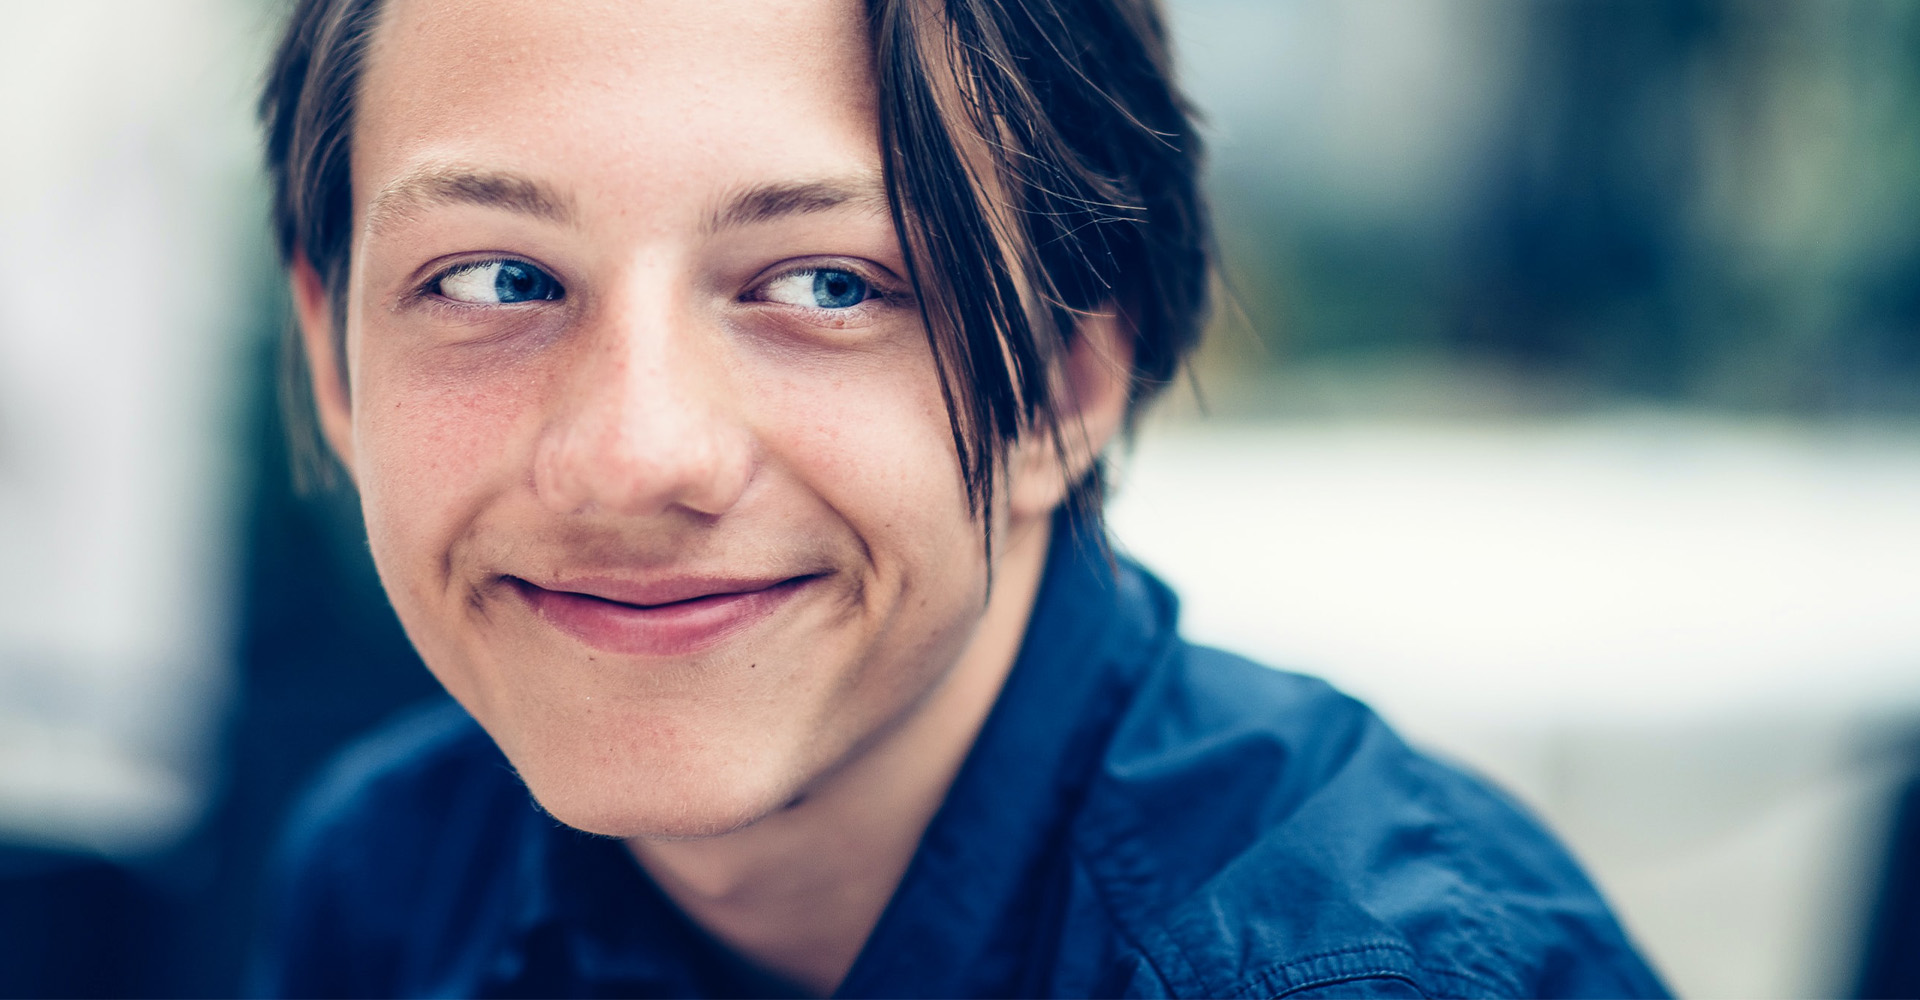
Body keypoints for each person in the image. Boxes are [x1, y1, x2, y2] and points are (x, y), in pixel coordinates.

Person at [251, 0, 1671, 996]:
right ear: (334, 358)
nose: (634, 455)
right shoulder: (388, 883)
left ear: (1068, 382)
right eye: (494, 280)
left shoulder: (1363, 976)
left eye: (827, 285)